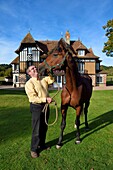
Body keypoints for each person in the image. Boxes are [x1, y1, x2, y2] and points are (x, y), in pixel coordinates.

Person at [25, 65, 54, 158]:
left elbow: (51, 80)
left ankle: (42, 145)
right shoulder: (29, 83)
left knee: (44, 127)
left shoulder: (43, 79)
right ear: (29, 73)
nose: (35, 69)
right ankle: (33, 149)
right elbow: (32, 98)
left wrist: (50, 72)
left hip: (45, 106)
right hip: (36, 107)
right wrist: (45, 99)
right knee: (36, 129)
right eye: (32, 69)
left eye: (35, 68)